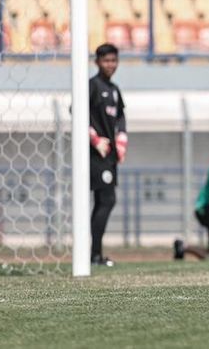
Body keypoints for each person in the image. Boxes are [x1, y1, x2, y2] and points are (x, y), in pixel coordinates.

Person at [88, 43, 127, 267]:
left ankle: (94, 254)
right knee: (107, 200)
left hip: (109, 156)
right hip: (95, 155)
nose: (110, 65)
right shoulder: (92, 86)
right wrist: (95, 139)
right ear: (97, 62)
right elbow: (78, 112)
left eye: (114, 60)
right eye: (106, 60)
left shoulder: (114, 90)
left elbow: (121, 118)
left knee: (104, 201)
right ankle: (93, 254)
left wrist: (121, 142)